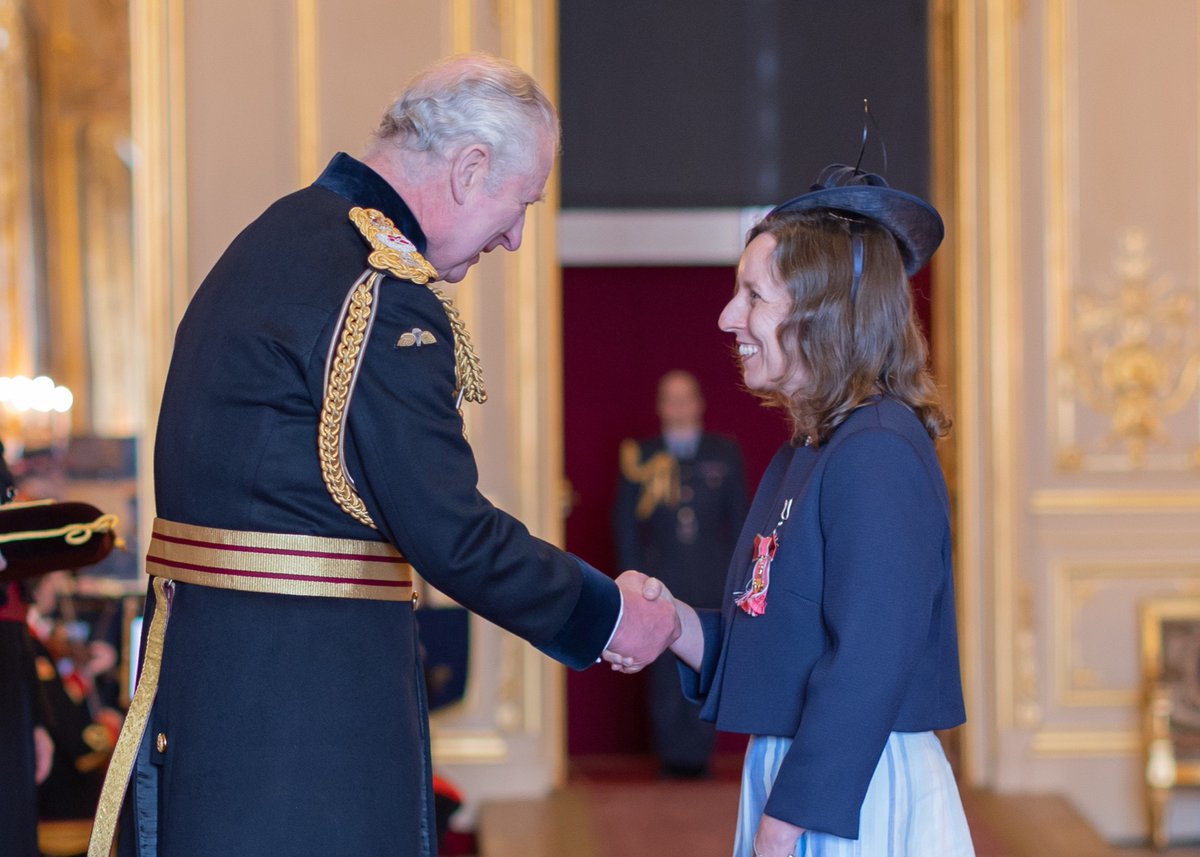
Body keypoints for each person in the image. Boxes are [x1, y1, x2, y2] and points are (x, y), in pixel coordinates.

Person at [89, 53, 678, 857]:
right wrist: (609, 613)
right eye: (521, 203)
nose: (514, 237)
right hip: (307, 738)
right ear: (471, 168)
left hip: (222, 711)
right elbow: (454, 534)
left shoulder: (283, 237)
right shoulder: (380, 284)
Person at [608, 164, 975, 856]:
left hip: (850, 794)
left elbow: (871, 659)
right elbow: (780, 638)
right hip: (812, 784)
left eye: (752, 294)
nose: (727, 317)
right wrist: (674, 623)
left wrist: (785, 820)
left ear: (822, 309)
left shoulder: (878, 449)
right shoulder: (814, 448)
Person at [613, 370, 746, 777]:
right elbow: (625, 525)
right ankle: (671, 755)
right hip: (659, 579)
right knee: (664, 675)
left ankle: (699, 755)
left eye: (685, 398)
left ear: (699, 403)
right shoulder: (640, 456)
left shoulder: (724, 453)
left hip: (711, 578)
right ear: (660, 406)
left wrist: (737, 578)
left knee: (704, 661)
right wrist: (632, 579)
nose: (678, 407)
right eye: (669, 399)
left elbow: (740, 520)